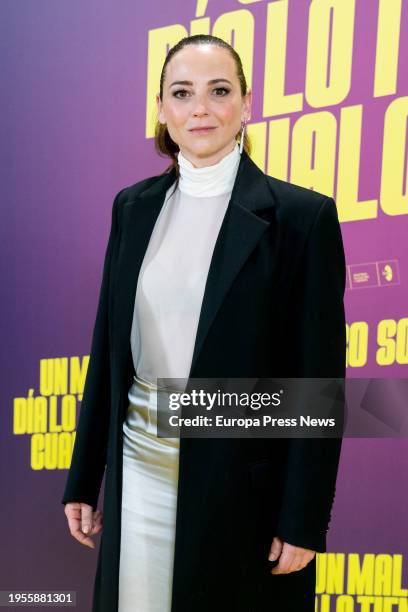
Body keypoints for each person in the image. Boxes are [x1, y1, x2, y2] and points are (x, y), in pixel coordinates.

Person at [62, 34, 346, 612]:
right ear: (162, 110)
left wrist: (304, 518)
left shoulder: (301, 217)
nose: (200, 109)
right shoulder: (132, 207)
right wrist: (84, 479)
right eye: (182, 93)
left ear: (246, 104)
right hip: (137, 473)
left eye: (219, 91)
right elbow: (110, 351)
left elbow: (318, 380)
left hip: (239, 489)